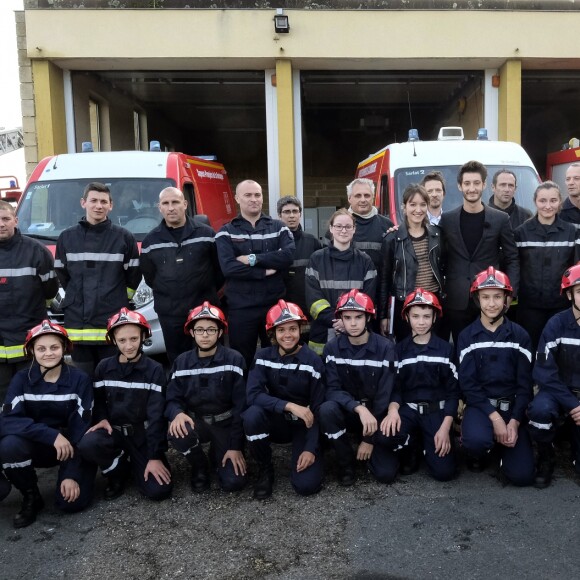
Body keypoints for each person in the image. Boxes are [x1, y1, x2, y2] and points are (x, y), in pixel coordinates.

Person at [0, 321, 95, 528]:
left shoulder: (80, 380)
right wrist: (51, 435)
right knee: (9, 445)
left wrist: (70, 474)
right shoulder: (21, 379)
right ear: (32, 351)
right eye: (41, 349)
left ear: (64, 348)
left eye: (54, 347)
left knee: (71, 505)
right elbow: (8, 420)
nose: (48, 353)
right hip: (41, 445)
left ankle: (73, 476)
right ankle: (31, 496)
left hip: (72, 448)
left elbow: (81, 430)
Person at [77, 308, 172, 501]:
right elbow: (99, 400)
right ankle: (117, 473)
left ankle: (140, 463)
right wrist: (102, 418)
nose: (128, 346)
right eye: (122, 340)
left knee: (159, 491)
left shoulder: (154, 370)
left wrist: (154, 456)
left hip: (141, 437)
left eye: (134, 339)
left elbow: (156, 416)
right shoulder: (103, 367)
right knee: (89, 443)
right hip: (115, 433)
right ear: (113, 340)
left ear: (143, 336)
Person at [55, 182, 141, 377]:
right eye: (93, 200)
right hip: (78, 325)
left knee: (111, 380)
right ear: (83, 202)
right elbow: (62, 274)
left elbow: (133, 275)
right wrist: (76, 296)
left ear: (111, 205)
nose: (98, 206)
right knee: (82, 381)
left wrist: (118, 299)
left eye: (104, 201)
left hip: (111, 322)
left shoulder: (124, 238)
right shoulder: (67, 237)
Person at [457, 267, 534, 486]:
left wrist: (516, 422)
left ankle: (504, 447)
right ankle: (481, 449)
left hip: (513, 408)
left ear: (507, 299)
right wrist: (496, 418)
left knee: (522, 477)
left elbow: (525, 384)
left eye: (497, 297)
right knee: (475, 441)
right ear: (477, 299)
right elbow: (468, 385)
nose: (491, 303)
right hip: (482, 407)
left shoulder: (520, 335)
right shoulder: (466, 336)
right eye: (486, 297)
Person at [243, 300, 324, 499]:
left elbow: (318, 407)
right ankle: (265, 469)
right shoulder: (262, 356)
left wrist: (310, 449)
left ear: (300, 329)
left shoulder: (313, 361)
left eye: (293, 329)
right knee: (252, 415)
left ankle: (315, 453)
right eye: (281, 330)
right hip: (275, 422)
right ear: (272, 333)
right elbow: (252, 394)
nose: (287, 335)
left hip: (303, 425)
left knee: (306, 486)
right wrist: (288, 406)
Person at [166, 302, 247, 493]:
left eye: (211, 329)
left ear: (220, 333)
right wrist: (176, 413)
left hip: (225, 424)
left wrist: (235, 446)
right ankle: (199, 466)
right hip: (197, 423)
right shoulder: (182, 362)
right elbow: (172, 397)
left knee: (233, 483)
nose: (204, 334)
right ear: (191, 332)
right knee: (177, 431)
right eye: (199, 329)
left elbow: (241, 406)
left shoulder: (234, 360)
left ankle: (221, 453)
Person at [319, 290, 398, 485]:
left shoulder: (385, 347)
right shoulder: (332, 348)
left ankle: (372, 450)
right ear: (340, 320)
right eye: (347, 318)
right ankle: (345, 461)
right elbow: (332, 389)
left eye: (358, 317)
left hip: (376, 415)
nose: (353, 324)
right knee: (327, 410)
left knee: (386, 475)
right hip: (351, 412)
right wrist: (359, 408)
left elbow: (384, 394)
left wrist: (369, 439)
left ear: (369, 317)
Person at [215, 179, 295, 369]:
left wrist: (253, 259)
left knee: (278, 359)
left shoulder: (279, 227)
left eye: (257, 195)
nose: (254, 199)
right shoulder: (226, 232)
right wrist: (265, 271)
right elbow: (229, 268)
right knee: (241, 360)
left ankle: (273, 397)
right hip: (241, 309)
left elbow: (287, 257)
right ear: (237, 198)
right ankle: (244, 397)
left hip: (273, 306)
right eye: (248, 195)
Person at [381, 289, 459, 481]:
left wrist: (445, 427)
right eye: (415, 316)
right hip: (409, 410)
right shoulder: (398, 350)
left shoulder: (446, 349)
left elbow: (453, 391)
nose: (421, 322)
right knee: (384, 437)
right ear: (406, 317)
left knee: (444, 473)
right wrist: (392, 411)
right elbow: (396, 387)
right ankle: (411, 445)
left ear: (434, 318)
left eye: (426, 316)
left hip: (436, 413)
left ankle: (433, 441)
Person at [140, 187, 223, 364]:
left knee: (210, 357)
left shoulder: (206, 234)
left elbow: (219, 271)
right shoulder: (150, 241)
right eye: (166, 203)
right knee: (178, 360)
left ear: (185, 204)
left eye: (175, 202)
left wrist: (203, 290)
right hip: (170, 314)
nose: (171, 207)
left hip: (204, 310)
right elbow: (150, 277)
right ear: (159, 207)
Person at [440, 160, 519, 343]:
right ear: (460, 186)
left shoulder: (500, 219)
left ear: (484, 185)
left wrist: (510, 294)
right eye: (467, 183)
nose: (472, 188)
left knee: (491, 350)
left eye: (476, 183)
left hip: (490, 297)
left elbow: (512, 257)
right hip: (456, 301)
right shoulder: (448, 219)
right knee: (461, 351)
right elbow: (440, 257)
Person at [527, 263, 580, 488]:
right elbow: (544, 372)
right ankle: (546, 456)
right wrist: (572, 405)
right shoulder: (556, 324)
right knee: (539, 411)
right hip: (559, 392)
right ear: (569, 295)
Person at [0, 200, 59, 400]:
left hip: (29, 338)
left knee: (33, 394)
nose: (1, 224)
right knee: (4, 399)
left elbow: (50, 290)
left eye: (5, 219)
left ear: (15, 221)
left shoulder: (37, 251)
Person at [514, 181, 580, 351]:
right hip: (530, 307)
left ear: (559, 202)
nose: (548, 206)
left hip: (561, 306)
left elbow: (576, 268)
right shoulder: (521, 232)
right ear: (535, 202)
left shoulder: (572, 232)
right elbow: (515, 266)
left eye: (553, 201)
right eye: (543, 201)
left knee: (559, 350)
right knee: (530, 349)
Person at [305, 209, 377, 354]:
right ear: (331, 228)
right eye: (338, 226)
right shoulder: (317, 259)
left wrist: (348, 322)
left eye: (348, 226)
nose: (343, 230)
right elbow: (314, 299)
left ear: (354, 229)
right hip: (323, 333)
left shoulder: (365, 261)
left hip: (357, 330)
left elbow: (369, 297)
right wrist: (338, 321)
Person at [378, 184, 444, 341]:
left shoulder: (437, 235)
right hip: (405, 303)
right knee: (406, 349)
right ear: (404, 207)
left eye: (422, 204)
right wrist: (383, 315)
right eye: (412, 204)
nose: (418, 210)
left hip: (433, 302)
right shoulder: (392, 239)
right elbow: (384, 280)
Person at [277, 195, 322, 317]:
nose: (291, 215)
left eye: (295, 211)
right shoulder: (272, 242)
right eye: (286, 212)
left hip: (307, 306)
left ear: (300, 214)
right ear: (279, 215)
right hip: (280, 306)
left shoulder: (312, 242)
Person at [344, 178, 394, 284]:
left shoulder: (387, 225)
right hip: (346, 293)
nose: (363, 200)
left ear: (373, 198)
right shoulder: (338, 226)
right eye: (358, 195)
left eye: (367, 195)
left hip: (379, 293)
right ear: (349, 198)